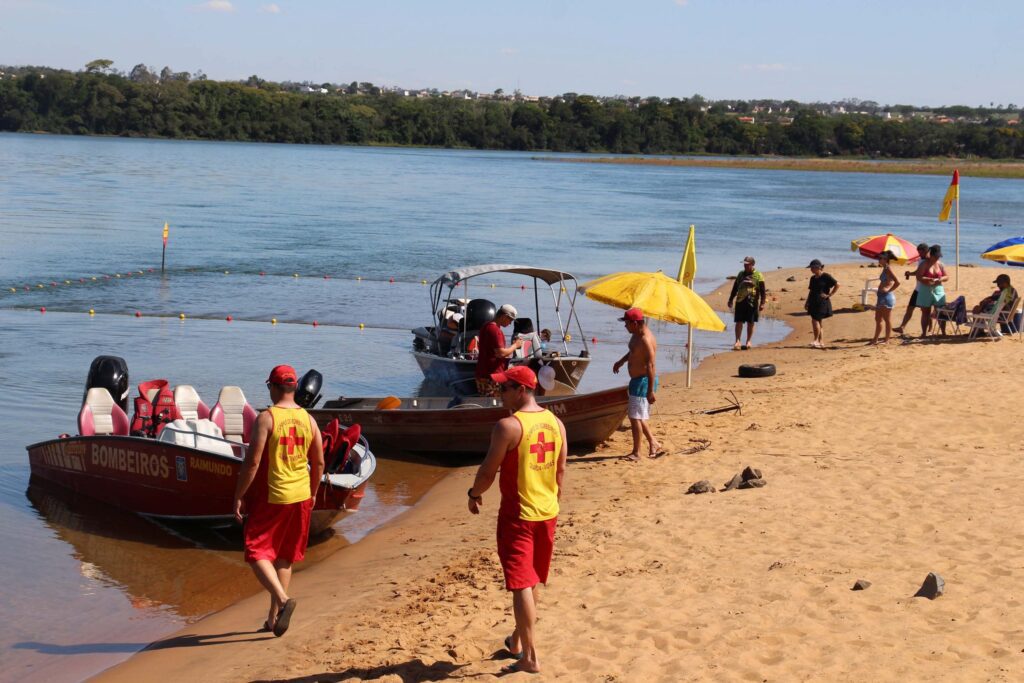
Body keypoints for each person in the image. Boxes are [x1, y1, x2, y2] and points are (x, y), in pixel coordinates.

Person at [467, 365, 567, 676]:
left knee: (521, 583)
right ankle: (516, 639)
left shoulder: (508, 426)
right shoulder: (556, 423)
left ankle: (530, 657)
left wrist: (474, 493)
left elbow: (487, 470)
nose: (498, 393)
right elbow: (560, 471)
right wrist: (553, 502)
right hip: (547, 511)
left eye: (504, 388)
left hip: (519, 514)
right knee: (530, 578)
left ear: (520, 390)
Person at [233, 365, 325, 638]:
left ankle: (284, 601)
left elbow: (252, 463)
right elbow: (318, 461)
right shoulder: (309, 420)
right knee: (284, 556)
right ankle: (273, 619)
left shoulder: (267, 418)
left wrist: (238, 495)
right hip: (300, 496)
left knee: (255, 550)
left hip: (275, 495)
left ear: (273, 387)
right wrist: (313, 491)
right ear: (294, 388)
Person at [612, 307, 662, 461]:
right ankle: (654, 443)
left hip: (643, 381)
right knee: (638, 416)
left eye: (626, 323)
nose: (625, 326)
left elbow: (651, 365)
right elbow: (633, 352)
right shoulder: (636, 335)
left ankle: (636, 452)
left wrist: (650, 391)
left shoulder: (645, 339)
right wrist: (621, 362)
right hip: (637, 381)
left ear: (634, 323)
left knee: (634, 417)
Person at [475, 304, 523, 397]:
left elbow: (491, 351)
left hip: (482, 372)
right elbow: (500, 353)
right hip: (492, 375)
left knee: (486, 401)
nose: (510, 324)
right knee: (494, 403)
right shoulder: (495, 330)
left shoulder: (486, 326)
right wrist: (515, 345)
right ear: (504, 316)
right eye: (510, 320)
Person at [727, 256, 767, 350]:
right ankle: (737, 341)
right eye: (744, 264)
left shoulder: (758, 275)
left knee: (750, 322)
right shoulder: (740, 274)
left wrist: (762, 303)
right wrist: (730, 299)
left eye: (747, 264)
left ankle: (748, 341)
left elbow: (762, 291)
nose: (745, 266)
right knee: (739, 322)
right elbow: (735, 288)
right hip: (740, 300)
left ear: (752, 264)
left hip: (752, 302)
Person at [893, 243, 930, 336]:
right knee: (910, 308)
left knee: (924, 311)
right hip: (917, 289)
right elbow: (918, 272)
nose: (919, 254)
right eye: (918, 252)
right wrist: (910, 274)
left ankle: (926, 330)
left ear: (926, 251)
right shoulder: (921, 260)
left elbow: (921, 273)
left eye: (921, 252)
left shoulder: (929, 261)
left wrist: (912, 273)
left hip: (924, 290)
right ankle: (902, 327)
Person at [804, 259, 839, 348]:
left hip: (822, 302)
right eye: (810, 268)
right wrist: (807, 302)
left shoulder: (826, 276)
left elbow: (837, 284)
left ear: (818, 267)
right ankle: (821, 341)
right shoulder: (813, 278)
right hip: (813, 301)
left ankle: (815, 340)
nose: (811, 270)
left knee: (814, 320)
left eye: (812, 268)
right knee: (819, 321)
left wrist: (830, 294)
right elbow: (811, 291)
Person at [916, 245, 948, 338]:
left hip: (938, 289)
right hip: (926, 289)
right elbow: (919, 276)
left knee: (940, 312)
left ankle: (943, 332)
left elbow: (947, 277)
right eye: (936, 256)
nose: (937, 258)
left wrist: (940, 279)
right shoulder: (924, 264)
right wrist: (928, 279)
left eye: (939, 256)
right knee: (925, 312)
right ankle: (924, 333)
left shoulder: (940, 264)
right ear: (931, 255)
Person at [870, 251, 900, 345]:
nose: (878, 260)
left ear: (885, 259)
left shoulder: (888, 269)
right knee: (878, 319)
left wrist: (889, 290)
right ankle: (875, 340)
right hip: (881, 297)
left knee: (887, 319)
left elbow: (897, 282)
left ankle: (886, 340)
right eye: (878, 258)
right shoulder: (884, 268)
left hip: (886, 297)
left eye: (880, 258)